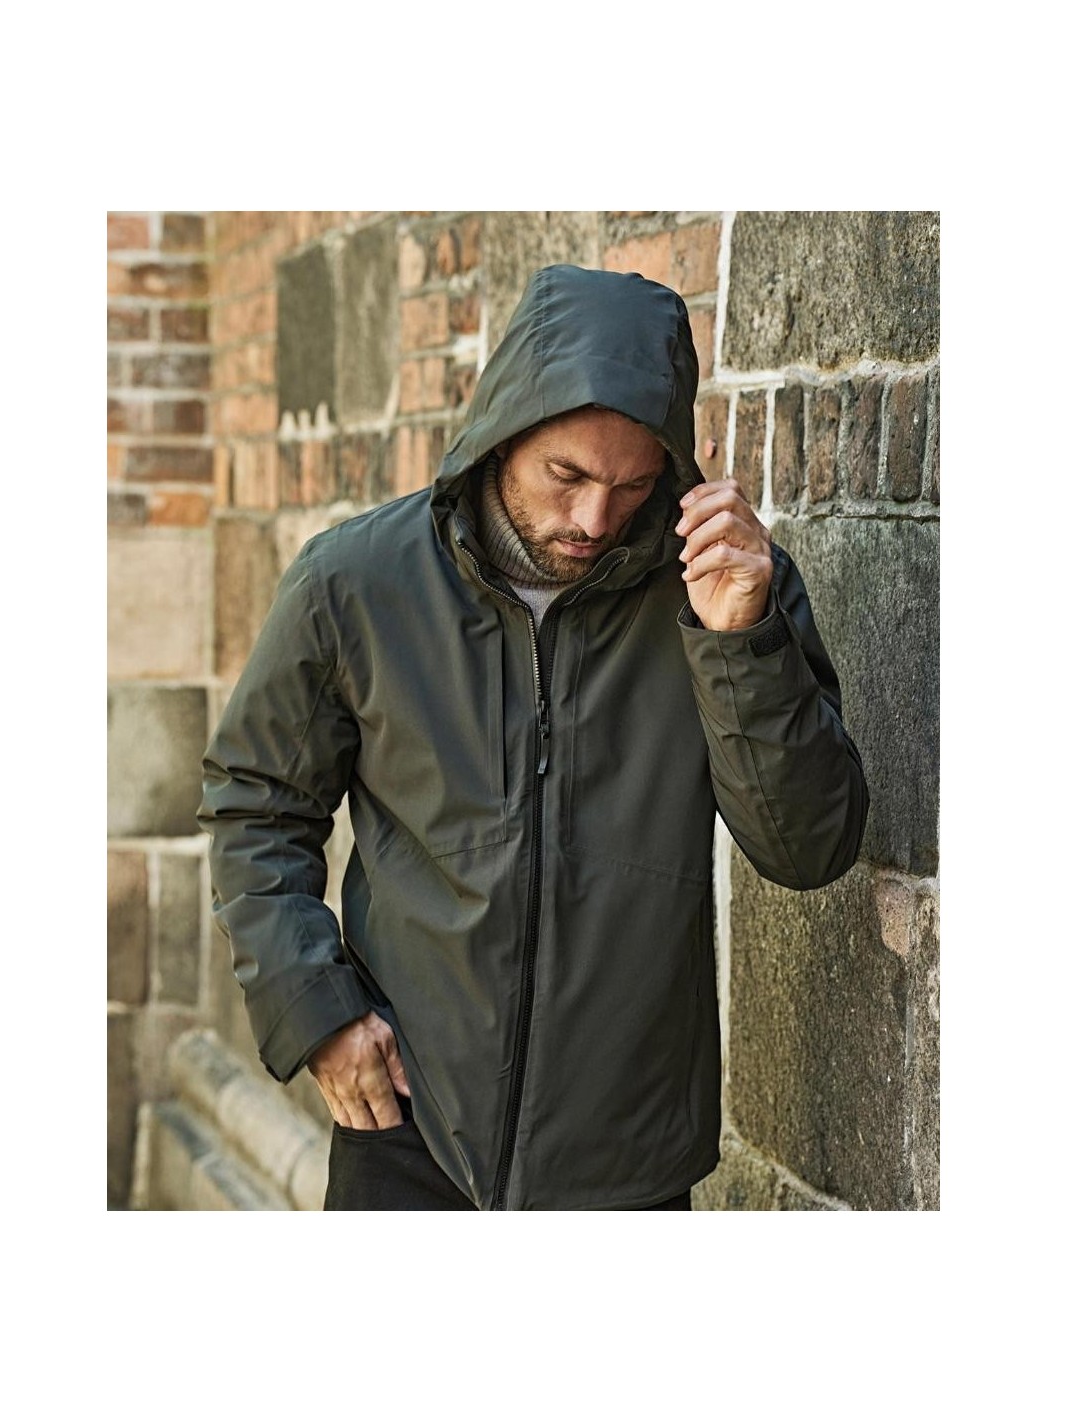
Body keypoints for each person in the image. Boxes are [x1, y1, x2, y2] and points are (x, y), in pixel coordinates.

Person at [199, 264, 869, 1211]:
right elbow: (255, 807)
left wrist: (739, 643)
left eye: (633, 485)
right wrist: (316, 1013)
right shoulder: (354, 584)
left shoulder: (726, 588)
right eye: (568, 476)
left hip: (628, 1159)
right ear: (504, 430)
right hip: (406, 1135)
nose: (595, 519)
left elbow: (807, 849)